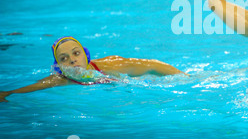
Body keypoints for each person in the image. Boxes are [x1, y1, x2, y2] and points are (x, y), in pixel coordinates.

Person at [0, 36, 185, 102]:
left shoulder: (111, 64)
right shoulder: (61, 79)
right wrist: (7, 93)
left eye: (76, 53)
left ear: (86, 55)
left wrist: (183, 77)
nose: (72, 61)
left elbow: (152, 65)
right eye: (64, 59)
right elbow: (31, 87)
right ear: (58, 67)